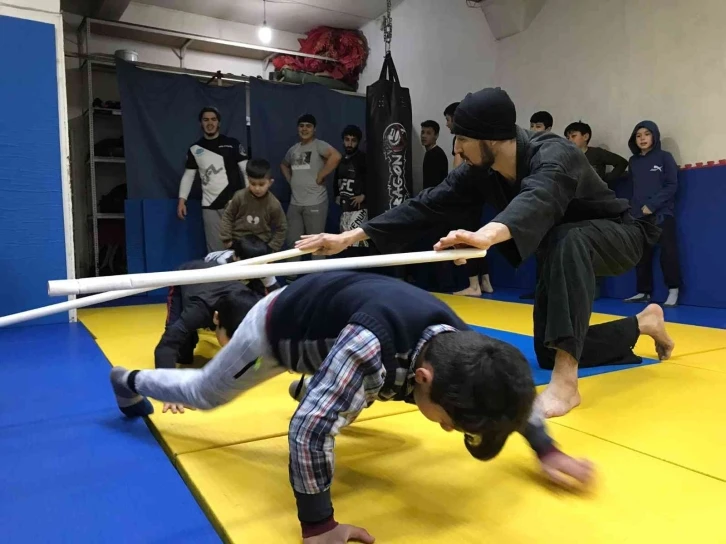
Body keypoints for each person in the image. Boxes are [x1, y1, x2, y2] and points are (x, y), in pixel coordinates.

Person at [110, 271, 594, 543]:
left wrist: (546, 448)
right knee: (206, 393)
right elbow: (307, 430)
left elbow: (509, 387)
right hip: (277, 330)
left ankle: (319, 386)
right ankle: (127, 380)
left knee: (359, 386)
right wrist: (318, 524)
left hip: (346, 336)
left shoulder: (463, 345)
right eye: (449, 423)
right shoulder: (368, 347)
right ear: (425, 378)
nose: (448, 430)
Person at [296, 87, 675, 420]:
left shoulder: (555, 153)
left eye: (463, 138)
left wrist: (486, 235)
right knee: (549, 348)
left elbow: (539, 198)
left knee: (568, 238)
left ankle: (566, 386)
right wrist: (350, 236)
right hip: (562, 251)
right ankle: (643, 323)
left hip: (620, 235)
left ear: (492, 139)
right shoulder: (481, 170)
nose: (457, 148)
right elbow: (427, 203)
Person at [153, 260, 261, 413]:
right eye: (231, 342)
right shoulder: (198, 311)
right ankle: (189, 334)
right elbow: (166, 346)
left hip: (216, 282)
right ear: (216, 318)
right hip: (186, 276)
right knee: (182, 352)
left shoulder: (255, 311)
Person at [623, 121, 681, 307]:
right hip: (638, 215)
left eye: (647, 134)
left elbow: (672, 185)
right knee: (641, 254)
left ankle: (673, 290)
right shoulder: (633, 161)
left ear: (654, 136)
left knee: (668, 253)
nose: (642, 138)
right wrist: (633, 211)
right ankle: (643, 291)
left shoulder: (665, 157)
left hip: (662, 213)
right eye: (638, 135)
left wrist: (652, 205)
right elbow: (635, 189)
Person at [177, 107, 248, 252]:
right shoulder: (195, 149)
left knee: (240, 248)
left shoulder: (233, 143)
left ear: (219, 123)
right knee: (215, 251)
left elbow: (246, 170)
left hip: (234, 203)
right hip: (210, 206)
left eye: (213, 119)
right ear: (201, 123)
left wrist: (249, 198)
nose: (210, 123)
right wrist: (182, 200)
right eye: (206, 120)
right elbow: (189, 176)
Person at [281, 114, 342, 267]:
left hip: (316, 202)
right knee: (293, 242)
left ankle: (318, 277)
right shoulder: (294, 149)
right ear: (297, 128)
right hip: (295, 203)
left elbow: (336, 156)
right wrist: (291, 181)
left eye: (308, 126)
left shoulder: (318, 145)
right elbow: (284, 165)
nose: (304, 129)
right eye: (301, 126)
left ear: (314, 129)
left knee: (317, 244)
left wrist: (322, 175)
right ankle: (291, 276)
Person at [219, 159, 287, 252]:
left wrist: (272, 248)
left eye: (261, 184)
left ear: (270, 182)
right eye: (253, 183)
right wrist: (227, 239)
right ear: (248, 180)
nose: (257, 188)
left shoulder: (274, 204)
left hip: (261, 246)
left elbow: (282, 227)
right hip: (237, 243)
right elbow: (227, 216)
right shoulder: (239, 196)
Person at [205, 234, 282, 294]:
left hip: (245, 279)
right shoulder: (222, 265)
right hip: (214, 277)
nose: (256, 267)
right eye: (252, 265)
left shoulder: (261, 265)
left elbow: (275, 290)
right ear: (236, 257)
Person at [334, 125, 368, 257]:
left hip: (359, 209)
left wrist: (364, 195)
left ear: (358, 142)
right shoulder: (341, 159)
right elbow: (336, 179)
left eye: (353, 140)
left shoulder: (363, 159)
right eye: (347, 139)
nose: (349, 143)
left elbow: (372, 180)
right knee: (345, 245)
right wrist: (337, 194)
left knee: (358, 244)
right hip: (345, 209)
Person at [564, 121, 628, 186]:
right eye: (568, 138)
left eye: (573, 136)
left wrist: (606, 181)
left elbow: (622, 162)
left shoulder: (596, 153)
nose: (570, 140)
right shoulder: (567, 157)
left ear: (585, 137)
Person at [421, 120, 449, 190]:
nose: (424, 136)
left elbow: (433, 184)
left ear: (436, 136)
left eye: (428, 133)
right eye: (422, 132)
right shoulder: (431, 152)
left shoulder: (436, 155)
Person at [444, 102, 463, 168]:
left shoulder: (459, 139)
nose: (446, 124)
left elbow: (458, 168)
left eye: (447, 120)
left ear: (455, 119)